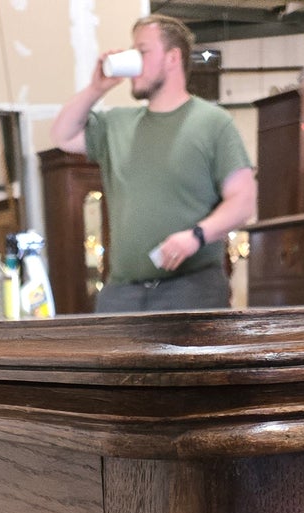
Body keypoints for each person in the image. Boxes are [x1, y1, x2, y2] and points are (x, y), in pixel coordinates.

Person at [51, 14, 256, 314]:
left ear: (173, 58)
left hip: (192, 289)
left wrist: (196, 236)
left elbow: (243, 200)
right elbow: (62, 135)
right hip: (122, 293)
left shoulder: (213, 124)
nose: (134, 59)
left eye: (143, 51)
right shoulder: (116, 125)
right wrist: (97, 88)